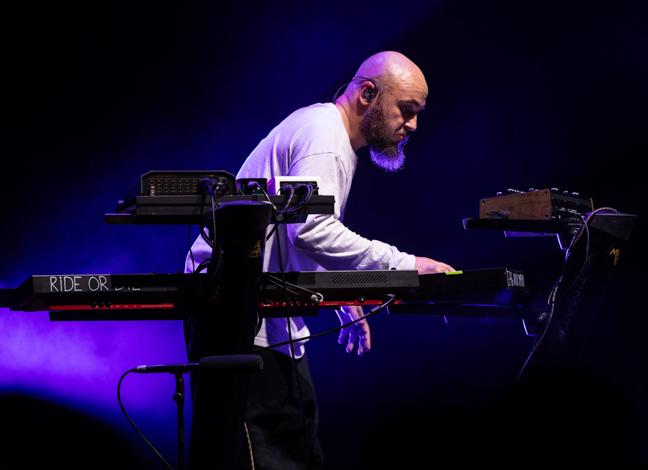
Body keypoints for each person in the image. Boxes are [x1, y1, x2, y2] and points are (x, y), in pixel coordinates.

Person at [185, 51, 454, 469]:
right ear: (368, 94)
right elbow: (311, 230)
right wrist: (403, 263)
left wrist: (340, 291)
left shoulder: (328, 133)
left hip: (263, 320)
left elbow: (297, 226)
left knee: (301, 451)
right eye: (406, 110)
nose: (413, 125)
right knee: (271, 458)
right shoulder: (325, 136)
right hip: (238, 316)